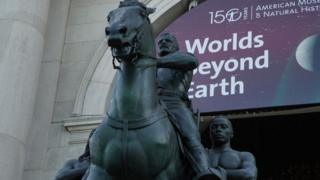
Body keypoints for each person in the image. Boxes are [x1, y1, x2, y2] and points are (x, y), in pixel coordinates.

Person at [157, 33, 224, 179]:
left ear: (176, 45)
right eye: (161, 41)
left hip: (174, 102)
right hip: (152, 103)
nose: (163, 43)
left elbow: (192, 61)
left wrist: (155, 62)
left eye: (168, 41)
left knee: (191, 137)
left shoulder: (182, 57)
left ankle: (204, 172)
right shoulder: (152, 64)